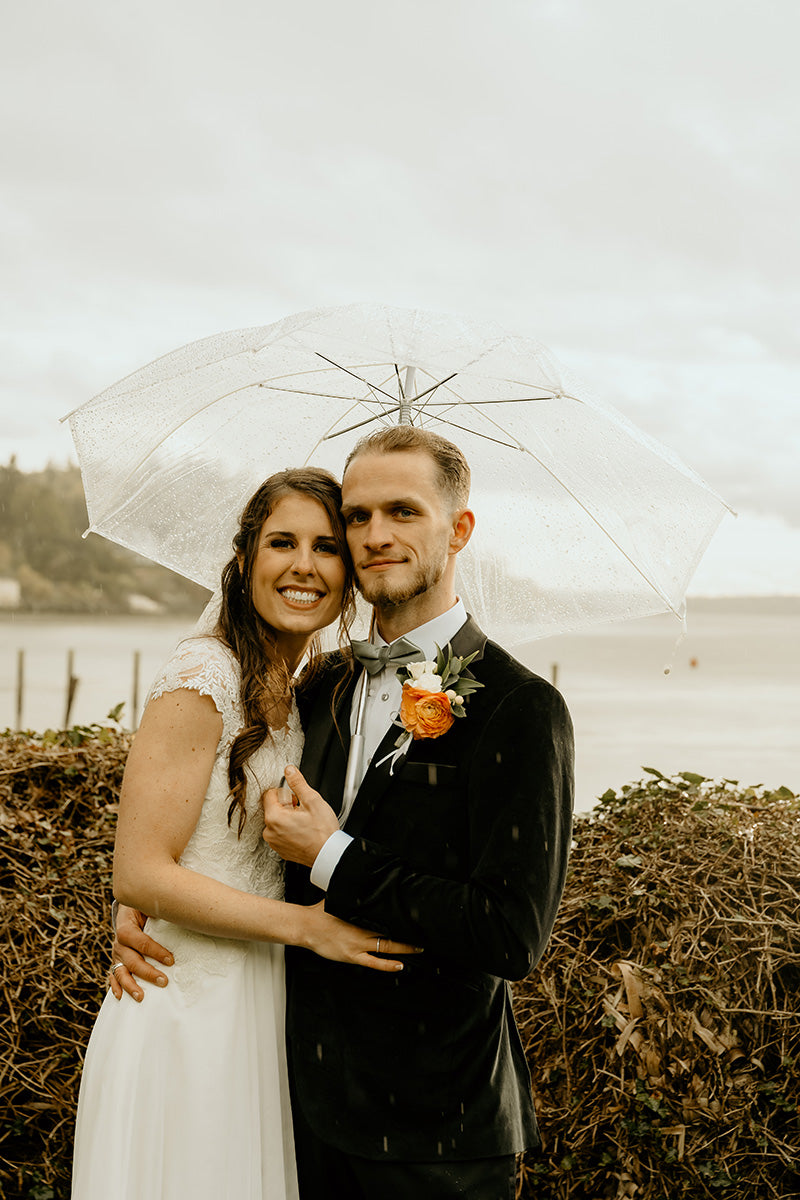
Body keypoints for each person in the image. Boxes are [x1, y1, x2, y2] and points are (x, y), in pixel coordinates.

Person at [114, 427, 574, 1199]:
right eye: (357, 517)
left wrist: (334, 857)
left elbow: (510, 933)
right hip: (290, 1105)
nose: (375, 536)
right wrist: (144, 905)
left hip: (438, 1130)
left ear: (459, 529)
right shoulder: (314, 688)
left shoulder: (520, 707)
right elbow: (200, 824)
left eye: (402, 511)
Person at [72, 468, 416, 1200]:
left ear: (349, 575)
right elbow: (138, 872)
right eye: (281, 542)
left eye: (327, 547)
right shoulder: (204, 676)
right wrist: (307, 928)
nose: (303, 565)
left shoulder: (308, 690)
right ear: (245, 559)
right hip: (182, 1004)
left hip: (260, 1008)